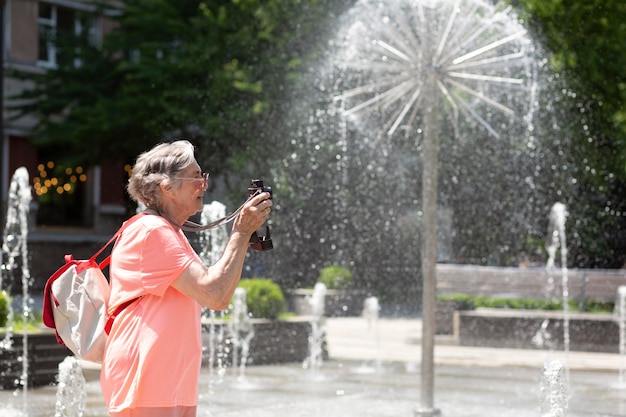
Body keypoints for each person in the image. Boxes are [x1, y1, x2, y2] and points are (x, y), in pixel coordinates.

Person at [100, 140, 272, 417]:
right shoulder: (153, 231)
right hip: (147, 380)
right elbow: (214, 293)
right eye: (195, 177)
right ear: (167, 187)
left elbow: (218, 293)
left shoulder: (168, 230)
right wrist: (241, 232)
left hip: (168, 381)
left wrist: (243, 232)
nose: (203, 184)